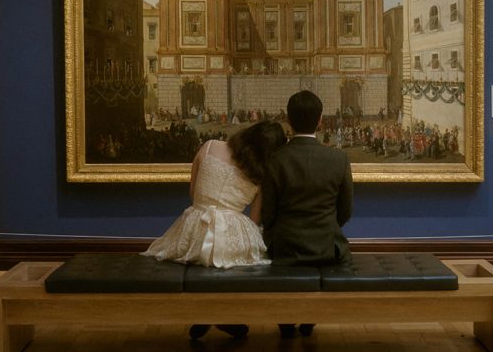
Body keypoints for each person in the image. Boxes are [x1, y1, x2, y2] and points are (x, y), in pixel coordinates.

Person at [143, 119, 287, 339]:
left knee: (201, 260)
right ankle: (221, 315)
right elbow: (255, 219)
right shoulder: (260, 175)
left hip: (194, 227)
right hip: (231, 232)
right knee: (244, 261)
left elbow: (193, 193)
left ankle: (208, 313)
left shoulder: (210, 146)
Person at [261, 90, 354, 338]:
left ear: (288, 120)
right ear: (320, 120)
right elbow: (346, 211)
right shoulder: (339, 158)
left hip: (286, 249)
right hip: (327, 249)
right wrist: (326, 227)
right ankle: (309, 317)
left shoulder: (276, 160)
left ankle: (287, 320)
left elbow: (268, 215)